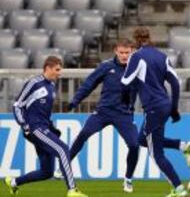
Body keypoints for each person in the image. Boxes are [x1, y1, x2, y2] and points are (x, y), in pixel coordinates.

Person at [55, 39, 140, 193]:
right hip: (103, 112)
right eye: (121, 52)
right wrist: (75, 101)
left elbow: (150, 87)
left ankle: (128, 178)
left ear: (132, 52)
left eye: (127, 53)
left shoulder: (137, 69)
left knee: (134, 145)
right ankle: (63, 167)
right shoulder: (106, 67)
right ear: (116, 51)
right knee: (83, 135)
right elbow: (89, 84)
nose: (124, 56)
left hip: (124, 115)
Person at [120, 27, 190, 197]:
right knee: (142, 140)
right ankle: (183, 146)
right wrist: (174, 107)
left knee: (156, 153)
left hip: (153, 108)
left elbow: (125, 82)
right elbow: (175, 83)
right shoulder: (162, 56)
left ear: (136, 41)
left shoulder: (136, 56)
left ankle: (178, 189)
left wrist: (126, 102)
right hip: (164, 105)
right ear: (149, 38)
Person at [6, 56, 87, 197]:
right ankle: (72, 190)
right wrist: (24, 124)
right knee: (63, 149)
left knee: (47, 172)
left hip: (44, 127)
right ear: (48, 68)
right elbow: (17, 105)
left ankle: (13, 182)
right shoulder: (34, 83)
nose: (59, 73)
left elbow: (42, 110)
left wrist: (51, 127)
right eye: (57, 70)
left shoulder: (51, 86)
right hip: (34, 128)